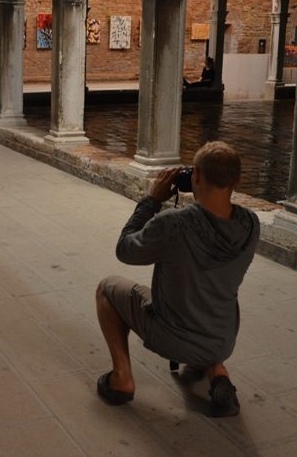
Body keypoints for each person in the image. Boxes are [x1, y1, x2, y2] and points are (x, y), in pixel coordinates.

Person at [94, 141, 260, 417]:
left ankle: (121, 378)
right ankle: (218, 372)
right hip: (223, 339)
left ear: (195, 175)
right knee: (208, 300)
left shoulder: (174, 223)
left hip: (172, 338)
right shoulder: (251, 224)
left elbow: (125, 249)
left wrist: (152, 201)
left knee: (107, 288)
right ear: (237, 180)